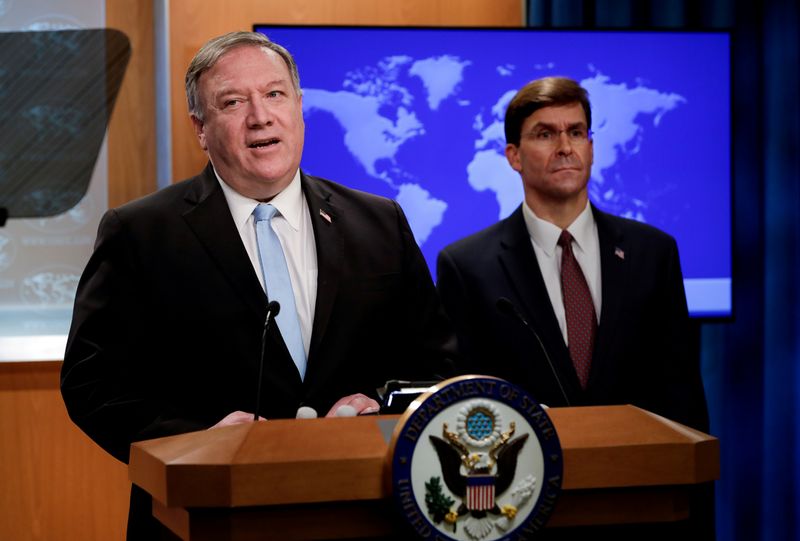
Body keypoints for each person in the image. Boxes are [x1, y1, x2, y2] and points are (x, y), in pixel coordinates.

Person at [61, 31, 455, 539]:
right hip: (207, 517)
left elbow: (437, 363)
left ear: (299, 106)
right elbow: (93, 385)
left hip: (363, 508)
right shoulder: (140, 233)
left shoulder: (379, 222)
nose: (260, 116)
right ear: (200, 129)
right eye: (232, 102)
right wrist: (195, 442)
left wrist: (375, 404)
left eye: (274, 94)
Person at [437, 76, 708, 431]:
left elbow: (682, 394)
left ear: (591, 148)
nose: (565, 147)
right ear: (514, 156)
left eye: (576, 132)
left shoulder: (653, 253)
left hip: (639, 474)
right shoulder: (467, 267)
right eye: (545, 134)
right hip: (527, 474)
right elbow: (465, 404)